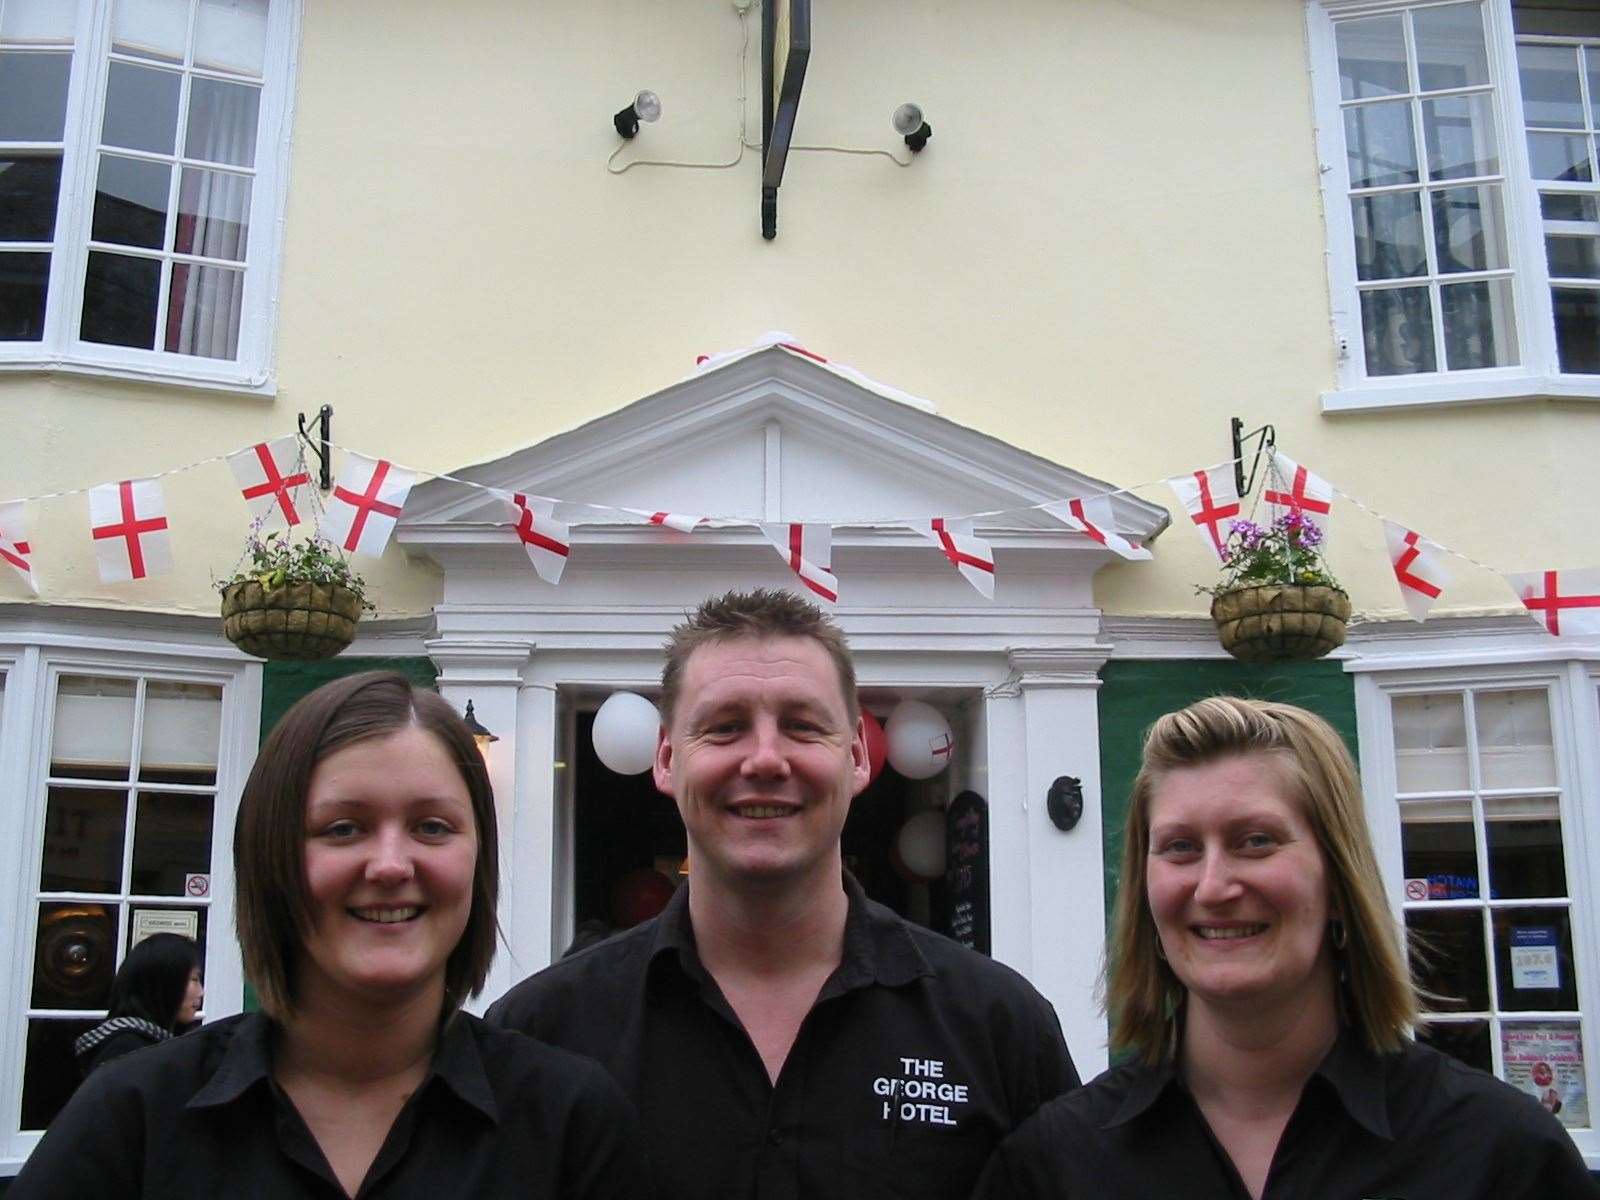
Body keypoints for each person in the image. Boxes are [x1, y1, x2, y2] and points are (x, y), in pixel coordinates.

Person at [488, 589, 1078, 1200]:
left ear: (855, 757)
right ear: (667, 759)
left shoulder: (999, 1027)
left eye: (801, 726)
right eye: (725, 728)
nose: (766, 759)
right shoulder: (543, 1032)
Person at [15, 671, 653, 1199]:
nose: (391, 865)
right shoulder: (135, 1116)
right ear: (272, 858)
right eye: (343, 828)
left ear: (477, 862)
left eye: (433, 827)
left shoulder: (568, 1121)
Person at [974, 696, 1599, 1199]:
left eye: (1256, 841)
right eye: (1180, 848)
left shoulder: (1499, 1154)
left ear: (1338, 879)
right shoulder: (1056, 1167)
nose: (1213, 886)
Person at [74, 932, 203, 1077]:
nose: (201, 992)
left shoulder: (152, 1043)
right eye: (194, 979)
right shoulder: (128, 1051)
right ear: (166, 983)